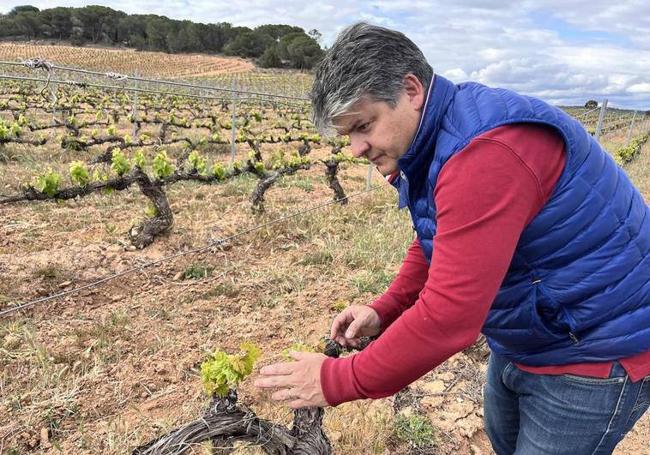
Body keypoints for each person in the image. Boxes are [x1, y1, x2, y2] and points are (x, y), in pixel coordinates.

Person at [254, 22, 650, 454]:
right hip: (530, 336)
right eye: (347, 134)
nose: (355, 148)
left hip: (594, 351)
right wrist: (384, 309)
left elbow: (450, 317)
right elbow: (443, 240)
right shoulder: (431, 142)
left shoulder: (483, 151)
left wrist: (334, 380)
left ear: (411, 89)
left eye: (363, 125)